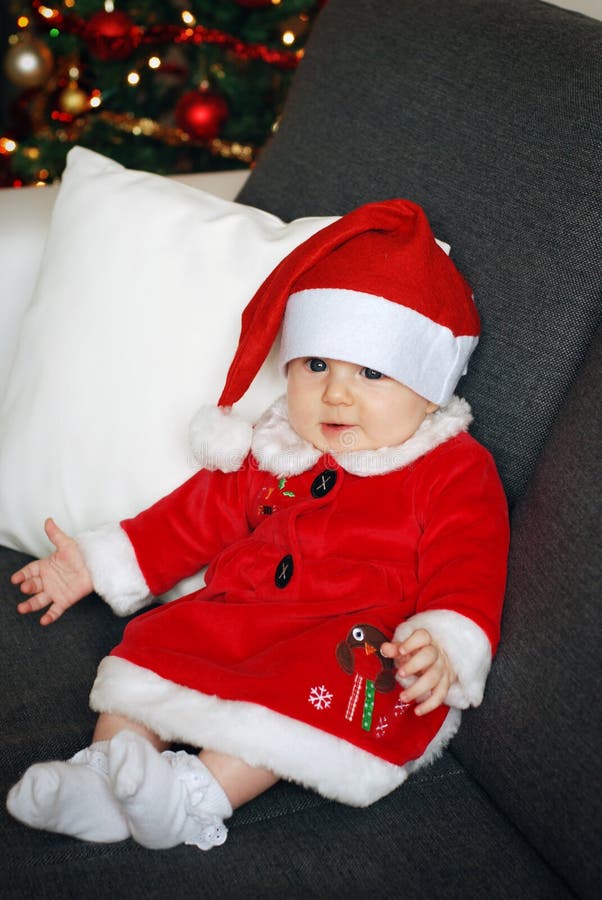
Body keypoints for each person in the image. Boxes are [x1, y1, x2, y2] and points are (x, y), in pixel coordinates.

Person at [6, 199, 509, 852]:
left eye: (371, 372)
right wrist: (96, 562)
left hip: (350, 631)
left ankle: (195, 796)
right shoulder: (277, 447)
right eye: (316, 365)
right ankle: (104, 776)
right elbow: (191, 518)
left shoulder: (450, 467)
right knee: (154, 645)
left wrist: (445, 640)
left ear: (429, 386)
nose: (335, 394)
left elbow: (469, 561)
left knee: (305, 692)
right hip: (242, 611)